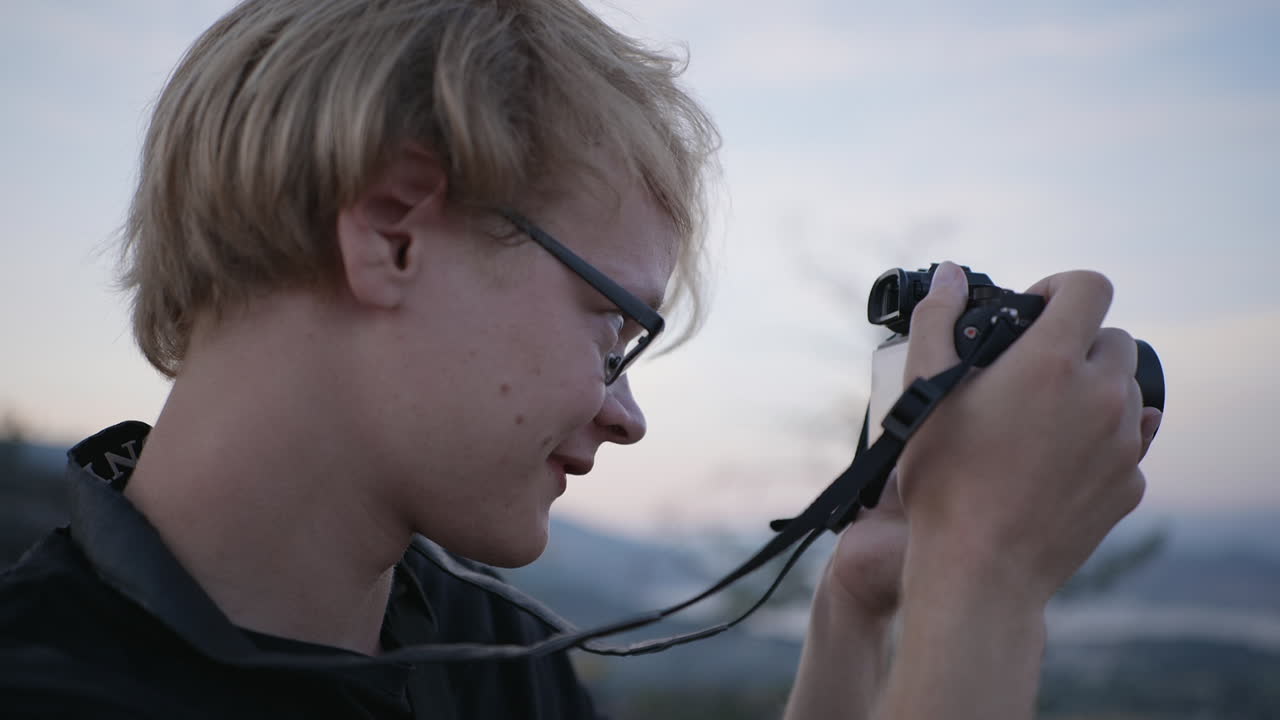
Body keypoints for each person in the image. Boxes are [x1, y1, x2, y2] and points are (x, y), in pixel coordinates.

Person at [0, 0, 1161, 718]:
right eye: (614, 330)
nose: (626, 416)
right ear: (392, 233)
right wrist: (986, 579)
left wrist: (854, 614)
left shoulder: (492, 660)